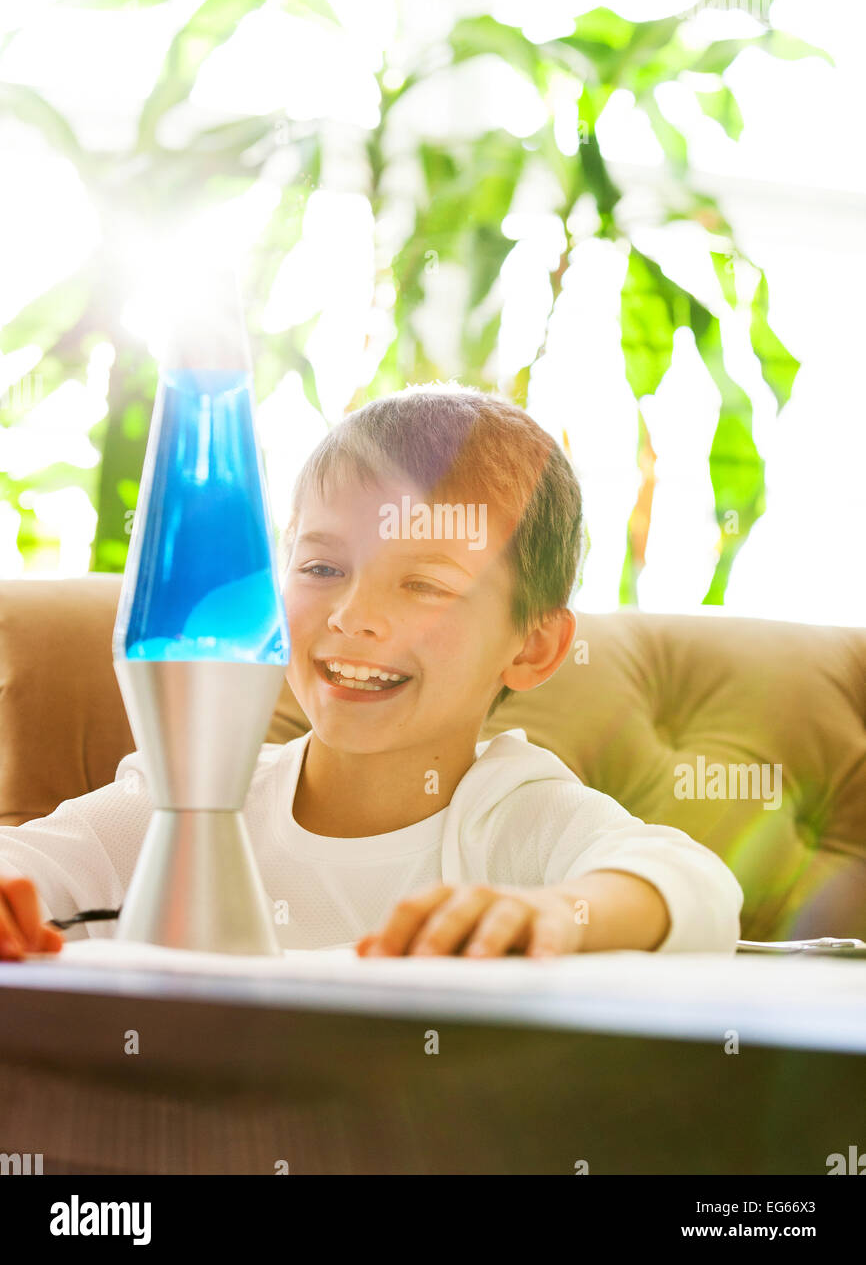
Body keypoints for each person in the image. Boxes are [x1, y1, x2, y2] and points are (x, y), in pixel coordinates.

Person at [0, 382, 743, 962]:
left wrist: (556, 913)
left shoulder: (515, 815)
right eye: (322, 566)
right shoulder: (187, 800)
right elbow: (26, 863)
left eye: (425, 585)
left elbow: (696, 885)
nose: (354, 615)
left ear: (534, 648)